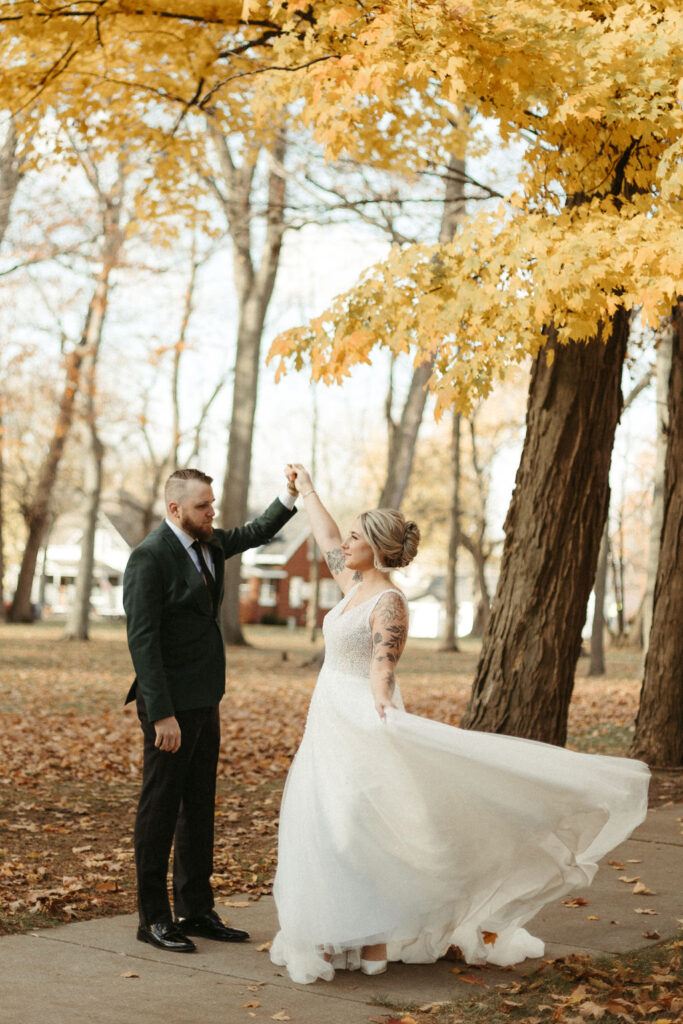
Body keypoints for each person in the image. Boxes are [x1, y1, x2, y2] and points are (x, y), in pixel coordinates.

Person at [270, 463, 650, 985]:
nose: (347, 542)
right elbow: (328, 534)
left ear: (377, 549)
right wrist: (308, 489)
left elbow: (383, 666)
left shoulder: (388, 601)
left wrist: (384, 709)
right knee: (327, 824)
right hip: (327, 724)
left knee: (360, 827)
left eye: (358, 536)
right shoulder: (351, 583)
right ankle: (343, 930)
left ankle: (376, 937)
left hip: (362, 721)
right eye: (352, 534)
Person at [123, 467, 297, 953]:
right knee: (159, 810)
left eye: (213, 504)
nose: (212, 512)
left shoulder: (211, 543)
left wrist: (288, 494)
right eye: (204, 506)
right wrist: (161, 714)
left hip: (205, 699)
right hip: (169, 708)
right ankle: (153, 918)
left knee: (198, 808)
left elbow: (256, 531)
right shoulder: (149, 558)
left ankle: (196, 909)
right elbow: (143, 641)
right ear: (175, 509)